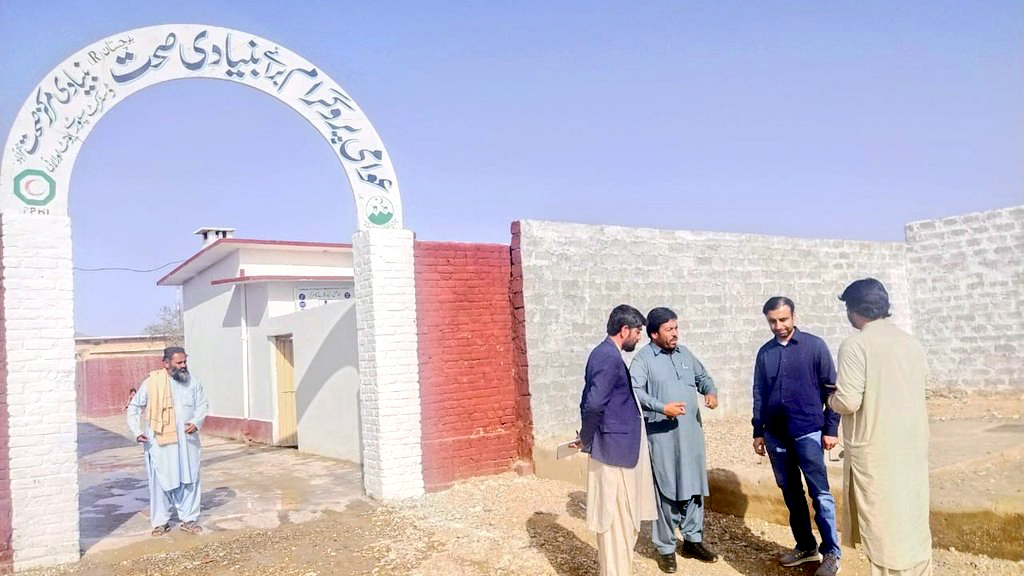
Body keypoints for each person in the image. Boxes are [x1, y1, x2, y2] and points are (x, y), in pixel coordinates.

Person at [828, 278, 932, 576]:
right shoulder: (911, 343)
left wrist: (829, 399)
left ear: (853, 310)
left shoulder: (856, 345)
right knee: (911, 522)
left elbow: (848, 401)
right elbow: (924, 390)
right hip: (911, 447)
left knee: (884, 530)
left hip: (877, 452)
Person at [752, 296, 842, 576]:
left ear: (793, 317)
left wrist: (831, 429)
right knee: (791, 493)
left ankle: (832, 553)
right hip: (776, 436)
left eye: (783, 319)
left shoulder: (814, 347)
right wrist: (758, 431)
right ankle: (806, 546)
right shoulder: (765, 353)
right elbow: (759, 394)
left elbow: (832, 391)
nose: (778, 326)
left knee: (820, 493)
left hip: (808, 432)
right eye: (772, 321)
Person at [631, 307, 719, 572]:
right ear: (654, 334)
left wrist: (711, 392)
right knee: (666, 490)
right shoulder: (643, 360)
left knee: (694, 487)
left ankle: (693, 540)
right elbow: (635, 392)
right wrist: (662, 407)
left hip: (691, 437)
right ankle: (666, 549)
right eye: (669, 329)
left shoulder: (685, 354)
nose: (675, 334)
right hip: (663, 439)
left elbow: (704, 378)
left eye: (676, 328)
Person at [578, 305, 658, 576]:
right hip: (614, 453)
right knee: (616, 522)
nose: (639, 337)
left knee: (622, 523)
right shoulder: (608, 357)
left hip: (616, 448)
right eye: (637, 331)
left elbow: (590, 399)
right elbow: (593, 404)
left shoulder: (604, 353)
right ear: (624, 330)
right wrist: (586, 438)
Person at [127, 346, 209, 536]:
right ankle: (160, 522)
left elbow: (203, 404)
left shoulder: (192, 382)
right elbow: (134, 407)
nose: (183, 365)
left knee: (189, 479)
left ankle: (189, 520)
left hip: (187, 441)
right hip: (160, 442)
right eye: (179, 362)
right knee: (161, 481)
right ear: (166, 363)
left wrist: (196, 422)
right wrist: (137, 431)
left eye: (185, 361)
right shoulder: (152, 383)